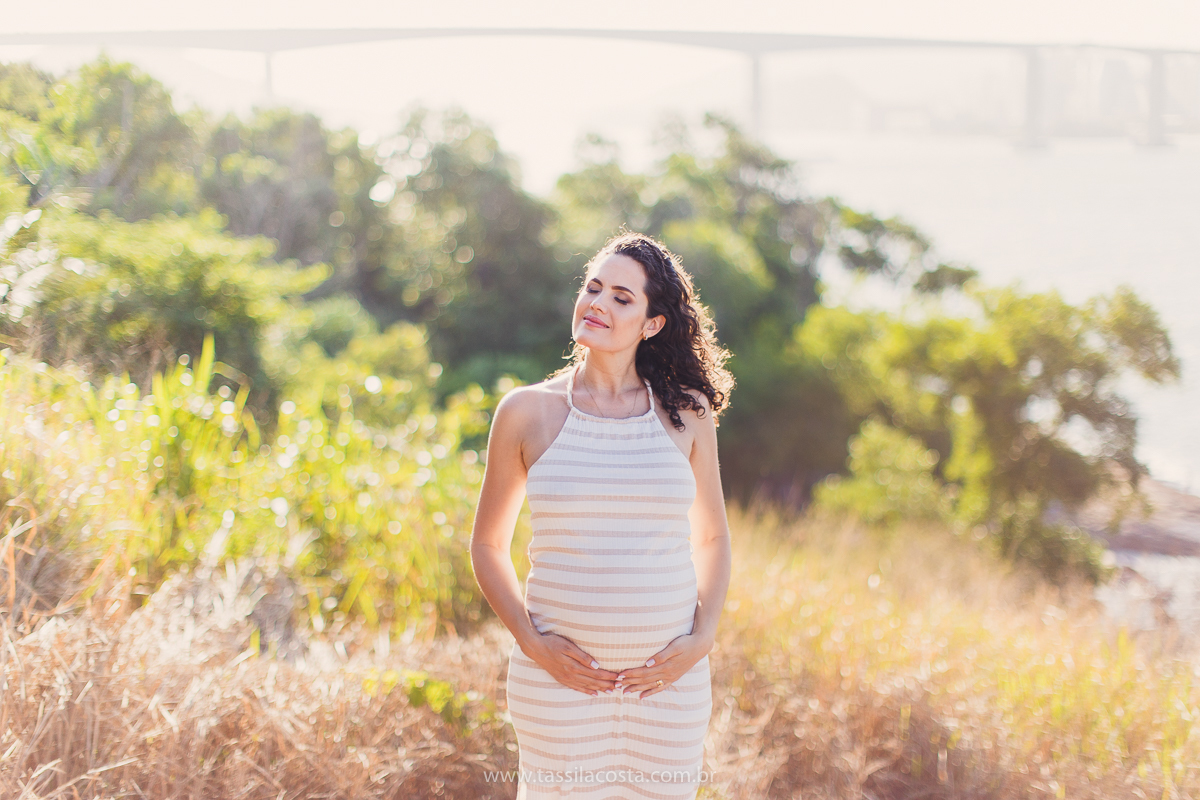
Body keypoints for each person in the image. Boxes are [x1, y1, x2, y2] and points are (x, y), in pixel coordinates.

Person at [470, 232, 734, 799]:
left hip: (668, 688)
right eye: (593, 288)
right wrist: (534, 644)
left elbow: (711, 536)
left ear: (652, 324)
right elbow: (487, 547)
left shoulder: (688, 413)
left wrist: (703, 637)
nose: (598, 304)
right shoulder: (526, 412)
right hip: (558, 688)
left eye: (621, 297)